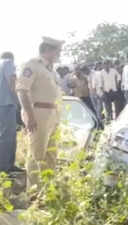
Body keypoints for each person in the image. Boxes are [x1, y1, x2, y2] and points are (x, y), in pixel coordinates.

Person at [16, 37, 64, 189]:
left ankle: (47, 190)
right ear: (48, 50)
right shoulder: (32, 65)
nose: (59, 54)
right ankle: (34, 194)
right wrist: (30, 116)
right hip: (38, 113)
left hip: (52, 114)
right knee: (37, 154)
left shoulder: (50, 70)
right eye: (58, 51)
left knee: (51, 154)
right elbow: (22, 90)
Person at [0, 52, 20, 172]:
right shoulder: (8, 63)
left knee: (4, 136)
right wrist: (18, 101)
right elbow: (12, 83)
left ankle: (7, 165)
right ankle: (6, 167)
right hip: (7, 104)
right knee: (9, 137)